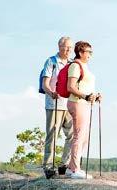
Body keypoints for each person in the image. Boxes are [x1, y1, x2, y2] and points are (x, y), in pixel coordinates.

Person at [66, 41, 102, 179]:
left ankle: (71, 167)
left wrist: (94, 96)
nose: (90, 55)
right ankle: (75, 169)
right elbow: (71, 87)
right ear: (80, 52)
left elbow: (85, 86)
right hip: (77, 103)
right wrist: (86, 96)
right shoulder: (75, 66)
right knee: (79, 136)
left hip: (84, 103)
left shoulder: (84, 66)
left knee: (84, 137)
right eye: (89, 52)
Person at [41, 36, 74, 179]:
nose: (67, 50)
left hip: (69, 103)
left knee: (73, 135)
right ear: (59, 46)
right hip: (54, 104)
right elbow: (45, 84)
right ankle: (48, 167)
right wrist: (51, 92)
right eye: (65, 47)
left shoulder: (72, 63)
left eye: (70, 47)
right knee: (52, 135)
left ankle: (63, 165)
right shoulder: (51, 62)